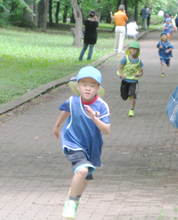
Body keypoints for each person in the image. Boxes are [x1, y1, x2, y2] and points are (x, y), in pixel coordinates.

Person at [53, 66, 110, 219]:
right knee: (83, 170)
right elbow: (67, 109)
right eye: (84, 84)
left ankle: (75, 199)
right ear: (77, 86)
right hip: (72, 141)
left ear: (98, 88)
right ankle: (70, 203)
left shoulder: (101, 106)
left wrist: (94, 118)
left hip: (91, 147)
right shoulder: (73, 101)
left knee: (84, 180)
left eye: (92, 85)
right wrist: (57, 125)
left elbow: (106, 130)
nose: (88, 88)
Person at [116, 41, 144, 117]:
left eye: (135, 49)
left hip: (133, 81)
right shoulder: (125, 59)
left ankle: (131, 110)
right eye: (132, 49)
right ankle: (127, 95)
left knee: (132, 96)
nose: (133, 50)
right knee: (124, 97)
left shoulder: (139, 61)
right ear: (129, 49)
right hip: (125, 80)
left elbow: (141, 72)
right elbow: (120, 67)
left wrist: (138, 75)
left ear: (138, 50)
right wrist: (122, 75)